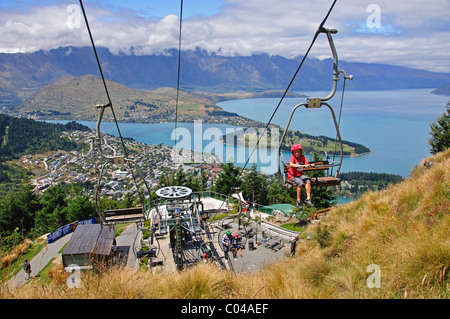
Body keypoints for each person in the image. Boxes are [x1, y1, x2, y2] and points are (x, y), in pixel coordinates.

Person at [288, 144, 315, 209]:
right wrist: (301, 166)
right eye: (295, 152)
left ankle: (308, 199)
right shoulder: (292, 157)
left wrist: (310, 165)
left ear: (300, 152)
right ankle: (298, 201)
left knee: (308, 181)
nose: (297, 153)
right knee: (300, 183)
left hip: (300, 175)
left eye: (298, 152)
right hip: (293, 176)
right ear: (293, 153)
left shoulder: (303, 157)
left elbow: (306, 164)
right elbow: (291, 164)